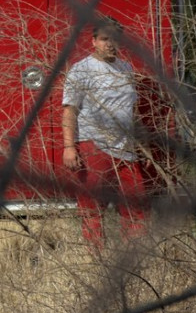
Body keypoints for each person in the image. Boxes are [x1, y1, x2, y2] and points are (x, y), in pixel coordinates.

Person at [62, 17, 147, 249]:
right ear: (94, 41)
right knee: (92, 209)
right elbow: (69, 111)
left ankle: (135, 259)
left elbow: (131, 109)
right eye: (104, 39)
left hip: (126, 150)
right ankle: (96, 260)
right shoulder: (81, 70)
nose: (110, 44)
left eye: (115, 39)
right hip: (94, 147)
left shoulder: (126, 69)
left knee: (136, 208)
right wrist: (69, 147)